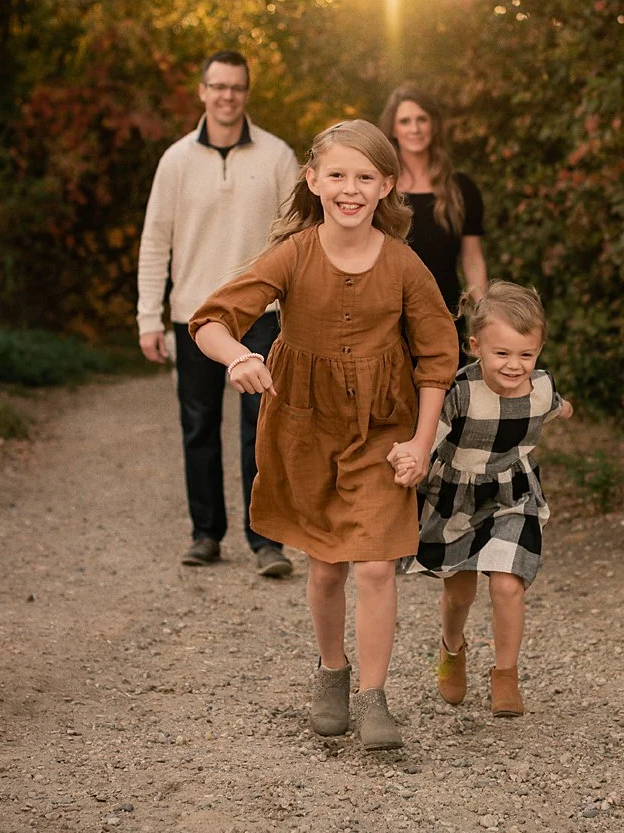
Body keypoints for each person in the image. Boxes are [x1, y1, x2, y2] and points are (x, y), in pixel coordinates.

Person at [188, 119, 459, 750]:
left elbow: (437, 356)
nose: (350, 188)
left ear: (387, 186)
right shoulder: (293, 254)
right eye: (337, 174)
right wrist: (239, 358)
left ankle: (374, 696)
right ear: (312, 180)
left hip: (382, 432)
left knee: (374, 566)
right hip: (305, 430)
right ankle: (331, 673)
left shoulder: (402, 264)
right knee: (327, 567)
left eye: (366, 177)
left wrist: (421, 442)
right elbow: (210, 320)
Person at [136, 50, 301, 577]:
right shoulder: (176, 161)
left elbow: (298, 238)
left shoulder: (277, 157)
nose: (227, 95)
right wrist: (147, 317)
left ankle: (265, 542)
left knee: (261, 429)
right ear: (203, 91)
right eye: (218, 86)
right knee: (199, 425)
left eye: (236, 87)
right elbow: (154, 242)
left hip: (263, 315)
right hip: (194, 315)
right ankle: (205, 534)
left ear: (246, 94)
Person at [396, 281, 573, 717]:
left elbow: (558, 406)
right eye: (502, 354)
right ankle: (452, 648)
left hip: (513, 495)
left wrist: (565, 409)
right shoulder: (458, 391)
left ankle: (506, 675)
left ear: (539, 349)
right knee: (459, 592)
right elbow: (429, 435)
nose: (515, 366)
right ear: (475, 346)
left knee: (509, 583)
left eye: (526, 355)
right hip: (456, 498)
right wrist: (406, 460)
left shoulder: (542, 388)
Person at [378, 86, 488, 335]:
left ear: (434, 125)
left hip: (446, 317)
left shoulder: (461, 188)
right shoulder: (381, 187)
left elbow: (472, 259)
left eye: (422, 120)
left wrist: (483, 318)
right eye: (405, 121)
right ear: (393, 130)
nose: (414, 129)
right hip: (387, 321)